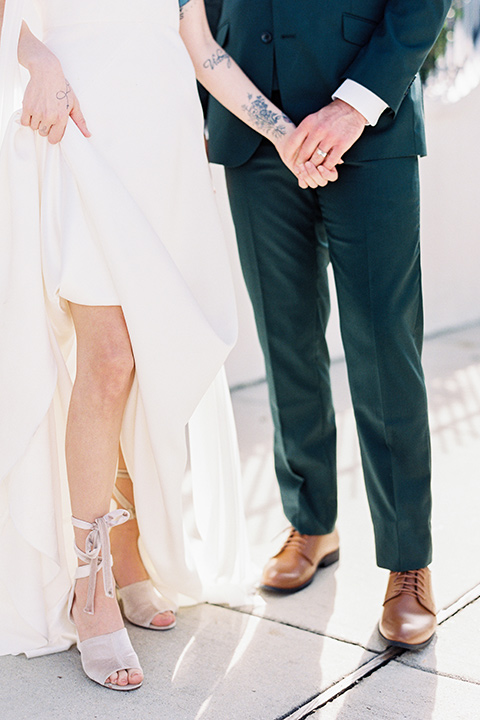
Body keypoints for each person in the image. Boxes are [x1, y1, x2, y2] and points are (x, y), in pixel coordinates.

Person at [0, 0, 332, 691]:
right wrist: (34, 55)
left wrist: (281, 133)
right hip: (79, 122)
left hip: (163, 138)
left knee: (139, 364)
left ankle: (129, 557)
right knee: (108, 356)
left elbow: (200, 46)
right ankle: (89, 591)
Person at [207, 0, 451, 650]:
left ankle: (407, 562)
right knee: (285, 341)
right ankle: (311, 521)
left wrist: (353, 106)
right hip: (250, 127)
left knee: (383, 349)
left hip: (368, 125)